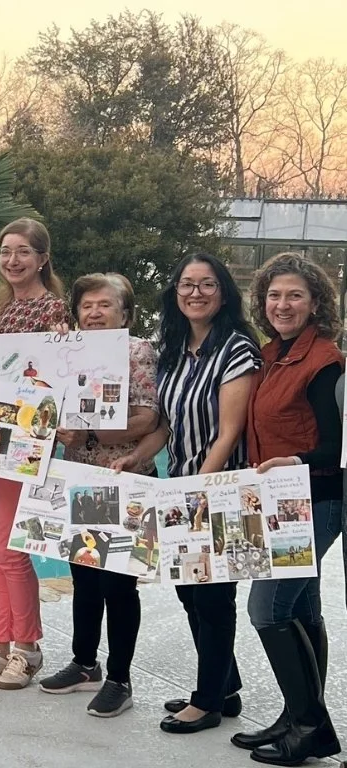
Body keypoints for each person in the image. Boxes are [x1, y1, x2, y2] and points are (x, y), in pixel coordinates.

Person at [114, 253, 261, 734]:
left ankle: (208, 701)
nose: (195, 293)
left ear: (223, 293)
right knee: (189, 593)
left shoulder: (237, 349)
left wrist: (200, 488)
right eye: (186, 285)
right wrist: (138, 457)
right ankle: (225, 686)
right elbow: (166, 425)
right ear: (174, 292)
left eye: (207, 284)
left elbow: (230, 432)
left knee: (213, 598)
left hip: (220, 491)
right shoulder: (173, 349)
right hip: (179, 487)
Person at [35, 274, 159, 718]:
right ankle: (84, 662)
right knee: (83, 577)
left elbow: (148, 418)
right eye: (86, 305)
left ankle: (120, 679)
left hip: (124, 476)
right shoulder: (65, 351)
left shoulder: (137, 351)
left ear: (124, 313)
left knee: (118, 584)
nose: (94, 312)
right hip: (77, 476)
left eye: (104, 305)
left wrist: (88, 431)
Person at [235, 253, 343, 763]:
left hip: (313, 500)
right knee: (302, 608)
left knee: (267, 607)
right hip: (280, 499)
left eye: (295, 295)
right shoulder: (270, 354)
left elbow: (334, 447)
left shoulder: (324, 362)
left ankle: (308, 724)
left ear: (315, 302)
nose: (282, 304)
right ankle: (300, 715)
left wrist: (292, 459)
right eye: (274, 295)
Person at [0, 217, 70, 690]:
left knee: (12, 548)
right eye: (5, 251)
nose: (12, 260)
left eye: (23, 251)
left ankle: (27, 648)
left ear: (42, 258)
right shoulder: (0, 310)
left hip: (26, 444)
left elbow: (59, 378)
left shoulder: (54, 312)